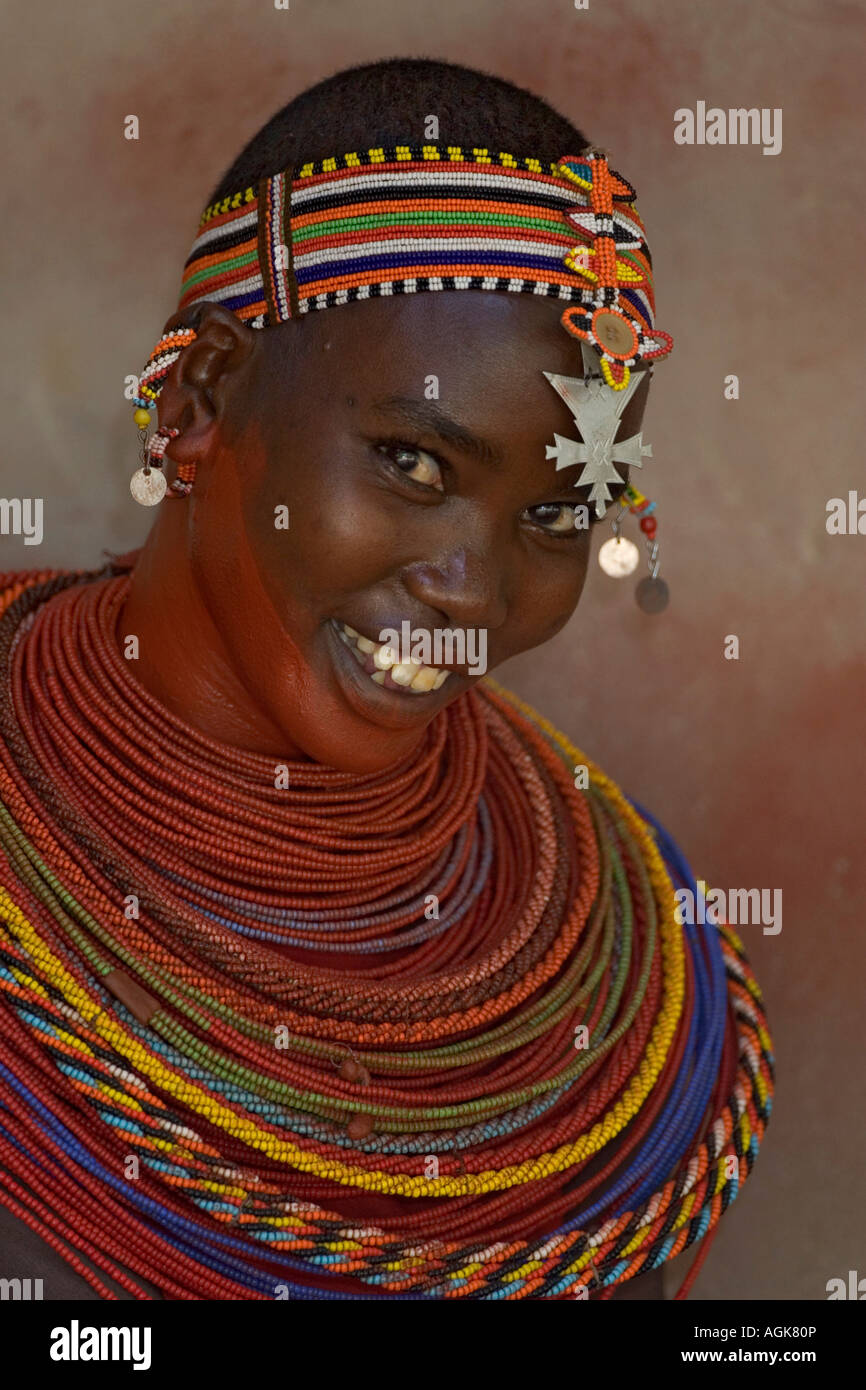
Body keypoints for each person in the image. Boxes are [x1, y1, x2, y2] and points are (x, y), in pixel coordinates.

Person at [0, 58, 773, 1301]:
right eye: (413, 461)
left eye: (558, 512)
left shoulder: (633, 1020)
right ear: (203, 398)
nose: (471, 589)